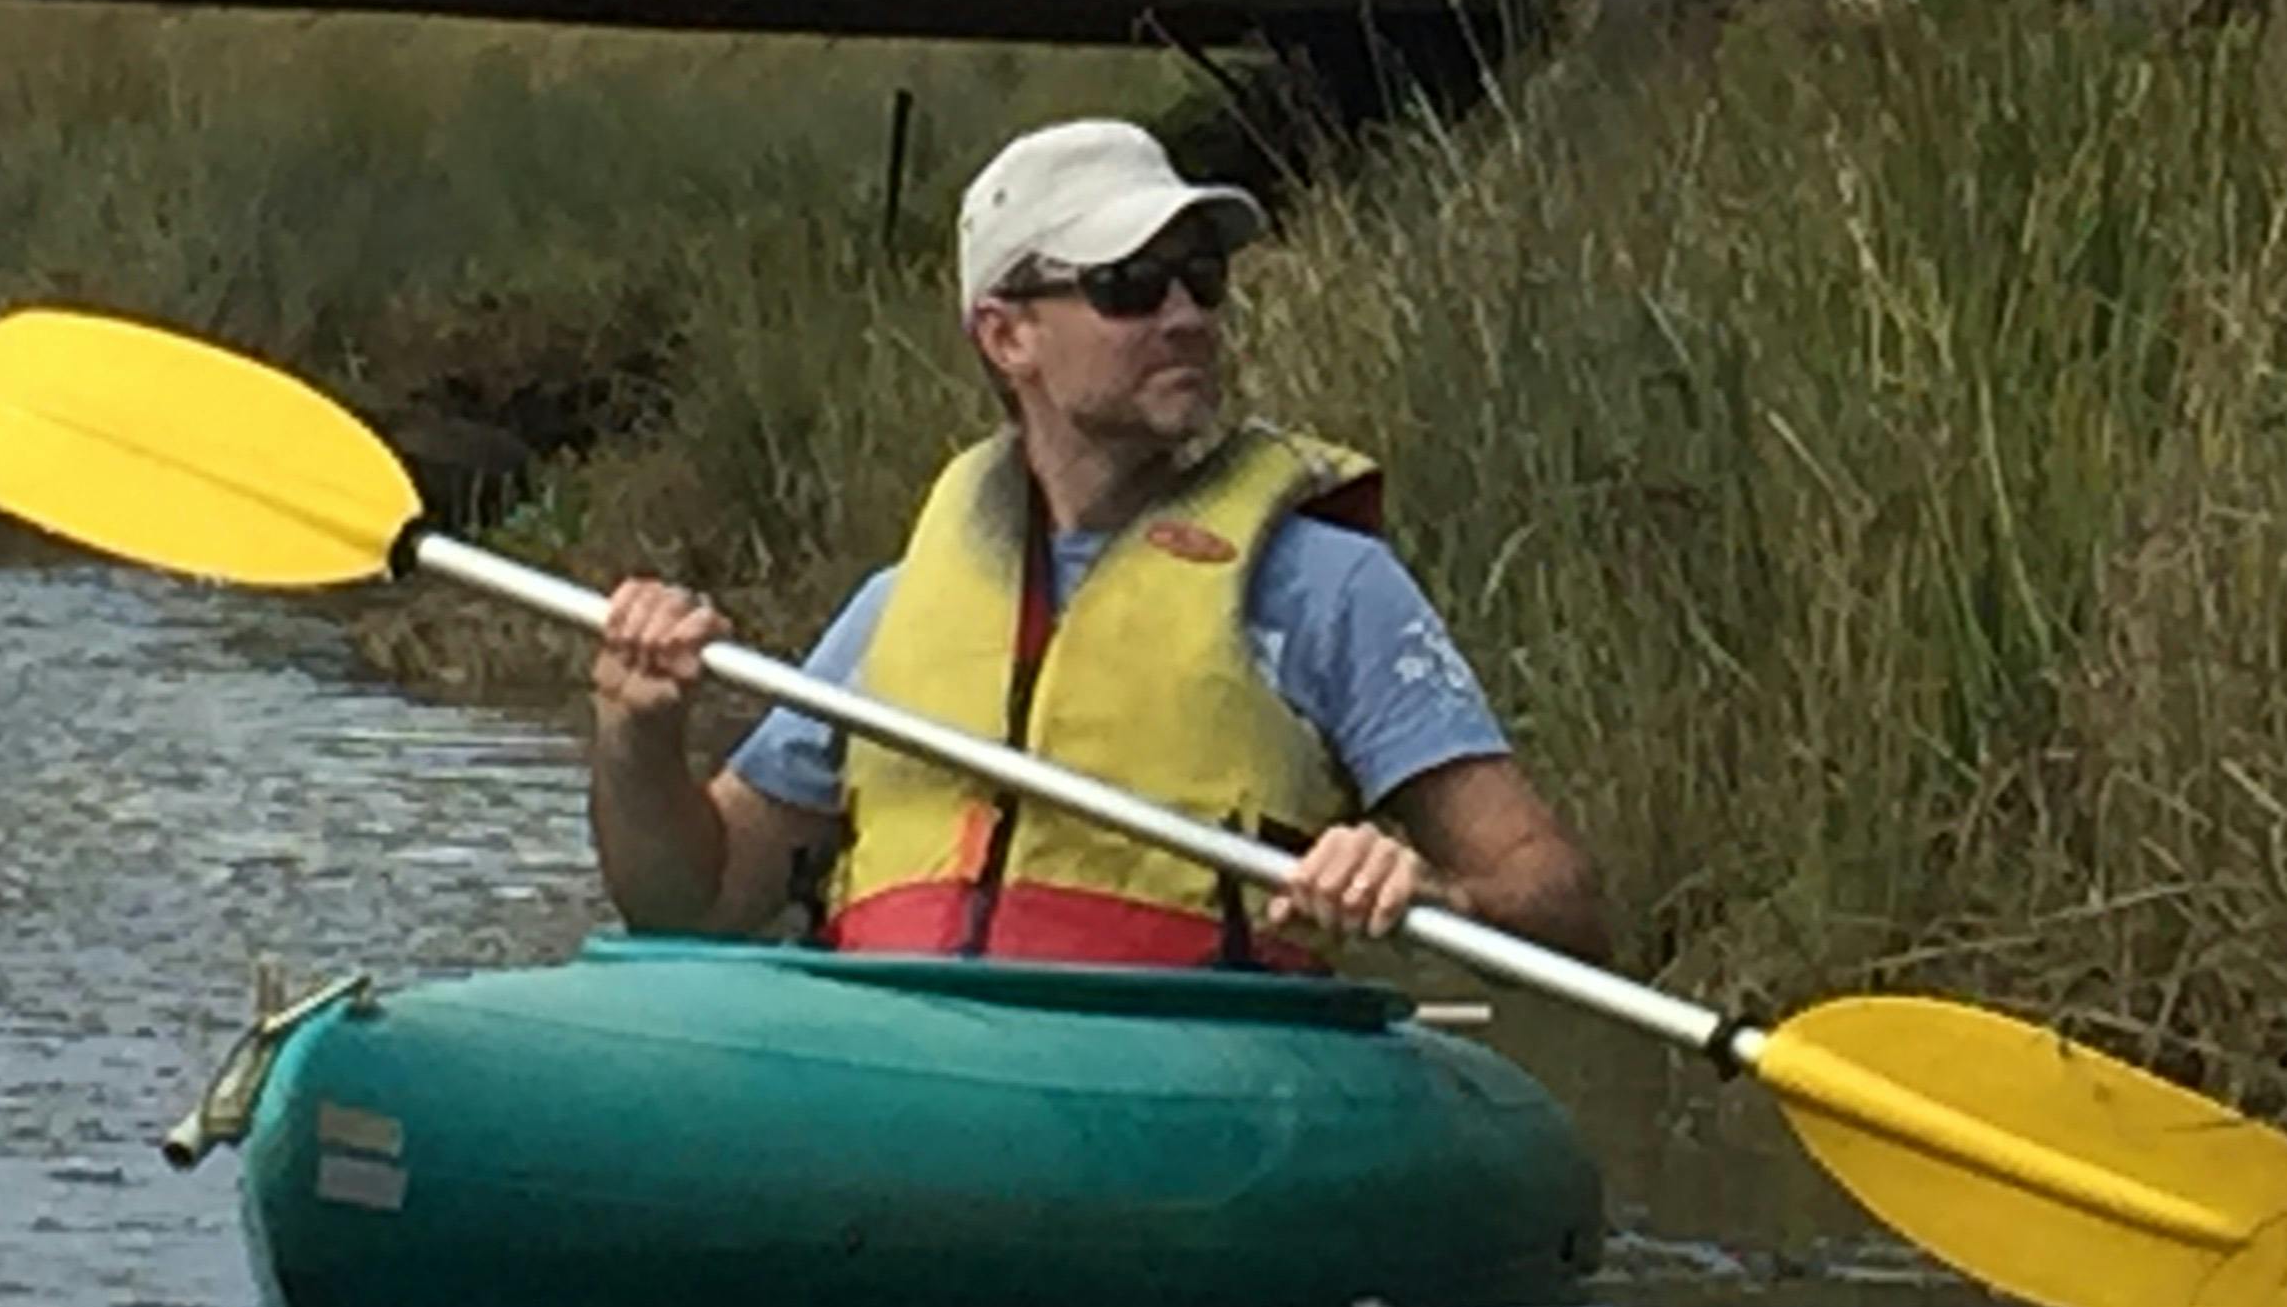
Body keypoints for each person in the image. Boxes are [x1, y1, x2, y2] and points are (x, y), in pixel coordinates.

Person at [587, 116, 1609, 969]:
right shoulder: (896, 614)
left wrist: (1435, 894)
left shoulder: (1327, 588)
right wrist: (639, 739)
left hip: (1192, 1081)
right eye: (1129, 284)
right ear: (1007, 335)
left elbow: (1559, 900)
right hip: (905, 1067)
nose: (1186, 316)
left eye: (1201, 279)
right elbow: (697, 903)